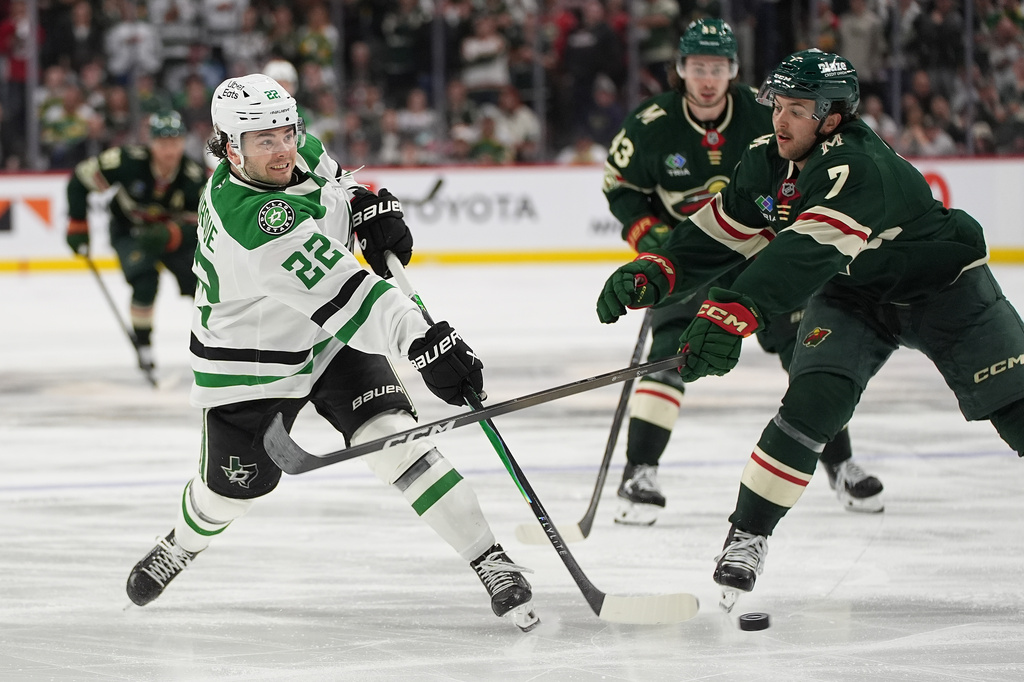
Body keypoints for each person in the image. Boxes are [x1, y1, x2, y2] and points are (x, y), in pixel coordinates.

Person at [596, 49, 1024, 610]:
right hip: (853, 294)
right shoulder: (766, 159)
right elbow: (726, 230)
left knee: (1015, 404)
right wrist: (665, 268)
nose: (780, 119)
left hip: (946, 290)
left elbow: (805, 249)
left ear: (832, 115)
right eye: (779, 105)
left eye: (798, 109)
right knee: (811, 403)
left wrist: (732, 310)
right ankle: (748, 535)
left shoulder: (857, 165)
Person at [124, 74, 540, 632]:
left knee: (391, 438)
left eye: (286, 133)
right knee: (229, 493)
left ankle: (490, 558)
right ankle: (183, 542)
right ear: (229, 148)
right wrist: (422, 342)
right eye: (262, 140)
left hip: (326, 341)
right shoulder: (251, 224)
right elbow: (351, 297)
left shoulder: (301, 152)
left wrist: (369, 211)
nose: (282, 149)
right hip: (251, 365)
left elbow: (339, 188)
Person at [602, 20, 883, 527]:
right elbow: (619, 184)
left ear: (733, 70)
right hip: (691, 253)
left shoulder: (765, 111)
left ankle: (840, 464)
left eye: (718, 67)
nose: (707, 78)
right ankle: (639, 472)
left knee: (805, 350)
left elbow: (814, 168)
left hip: (763, 252)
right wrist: (648, 235)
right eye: (696, 67)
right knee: (668, 355)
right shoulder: (649, 122)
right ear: (680, 70)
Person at [66, 110, 205, 378]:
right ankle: (144, 346)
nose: (170, 151)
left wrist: (173, 235)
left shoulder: (193, 176)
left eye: (175, 143)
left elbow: (204, 222)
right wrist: (77, 224)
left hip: (171, 236)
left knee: (200, 282)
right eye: (163, 143)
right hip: (129, 231)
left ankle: (212, 342)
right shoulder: (126, 161)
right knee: (144, 281)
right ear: (150, 142)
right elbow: (80, 179)